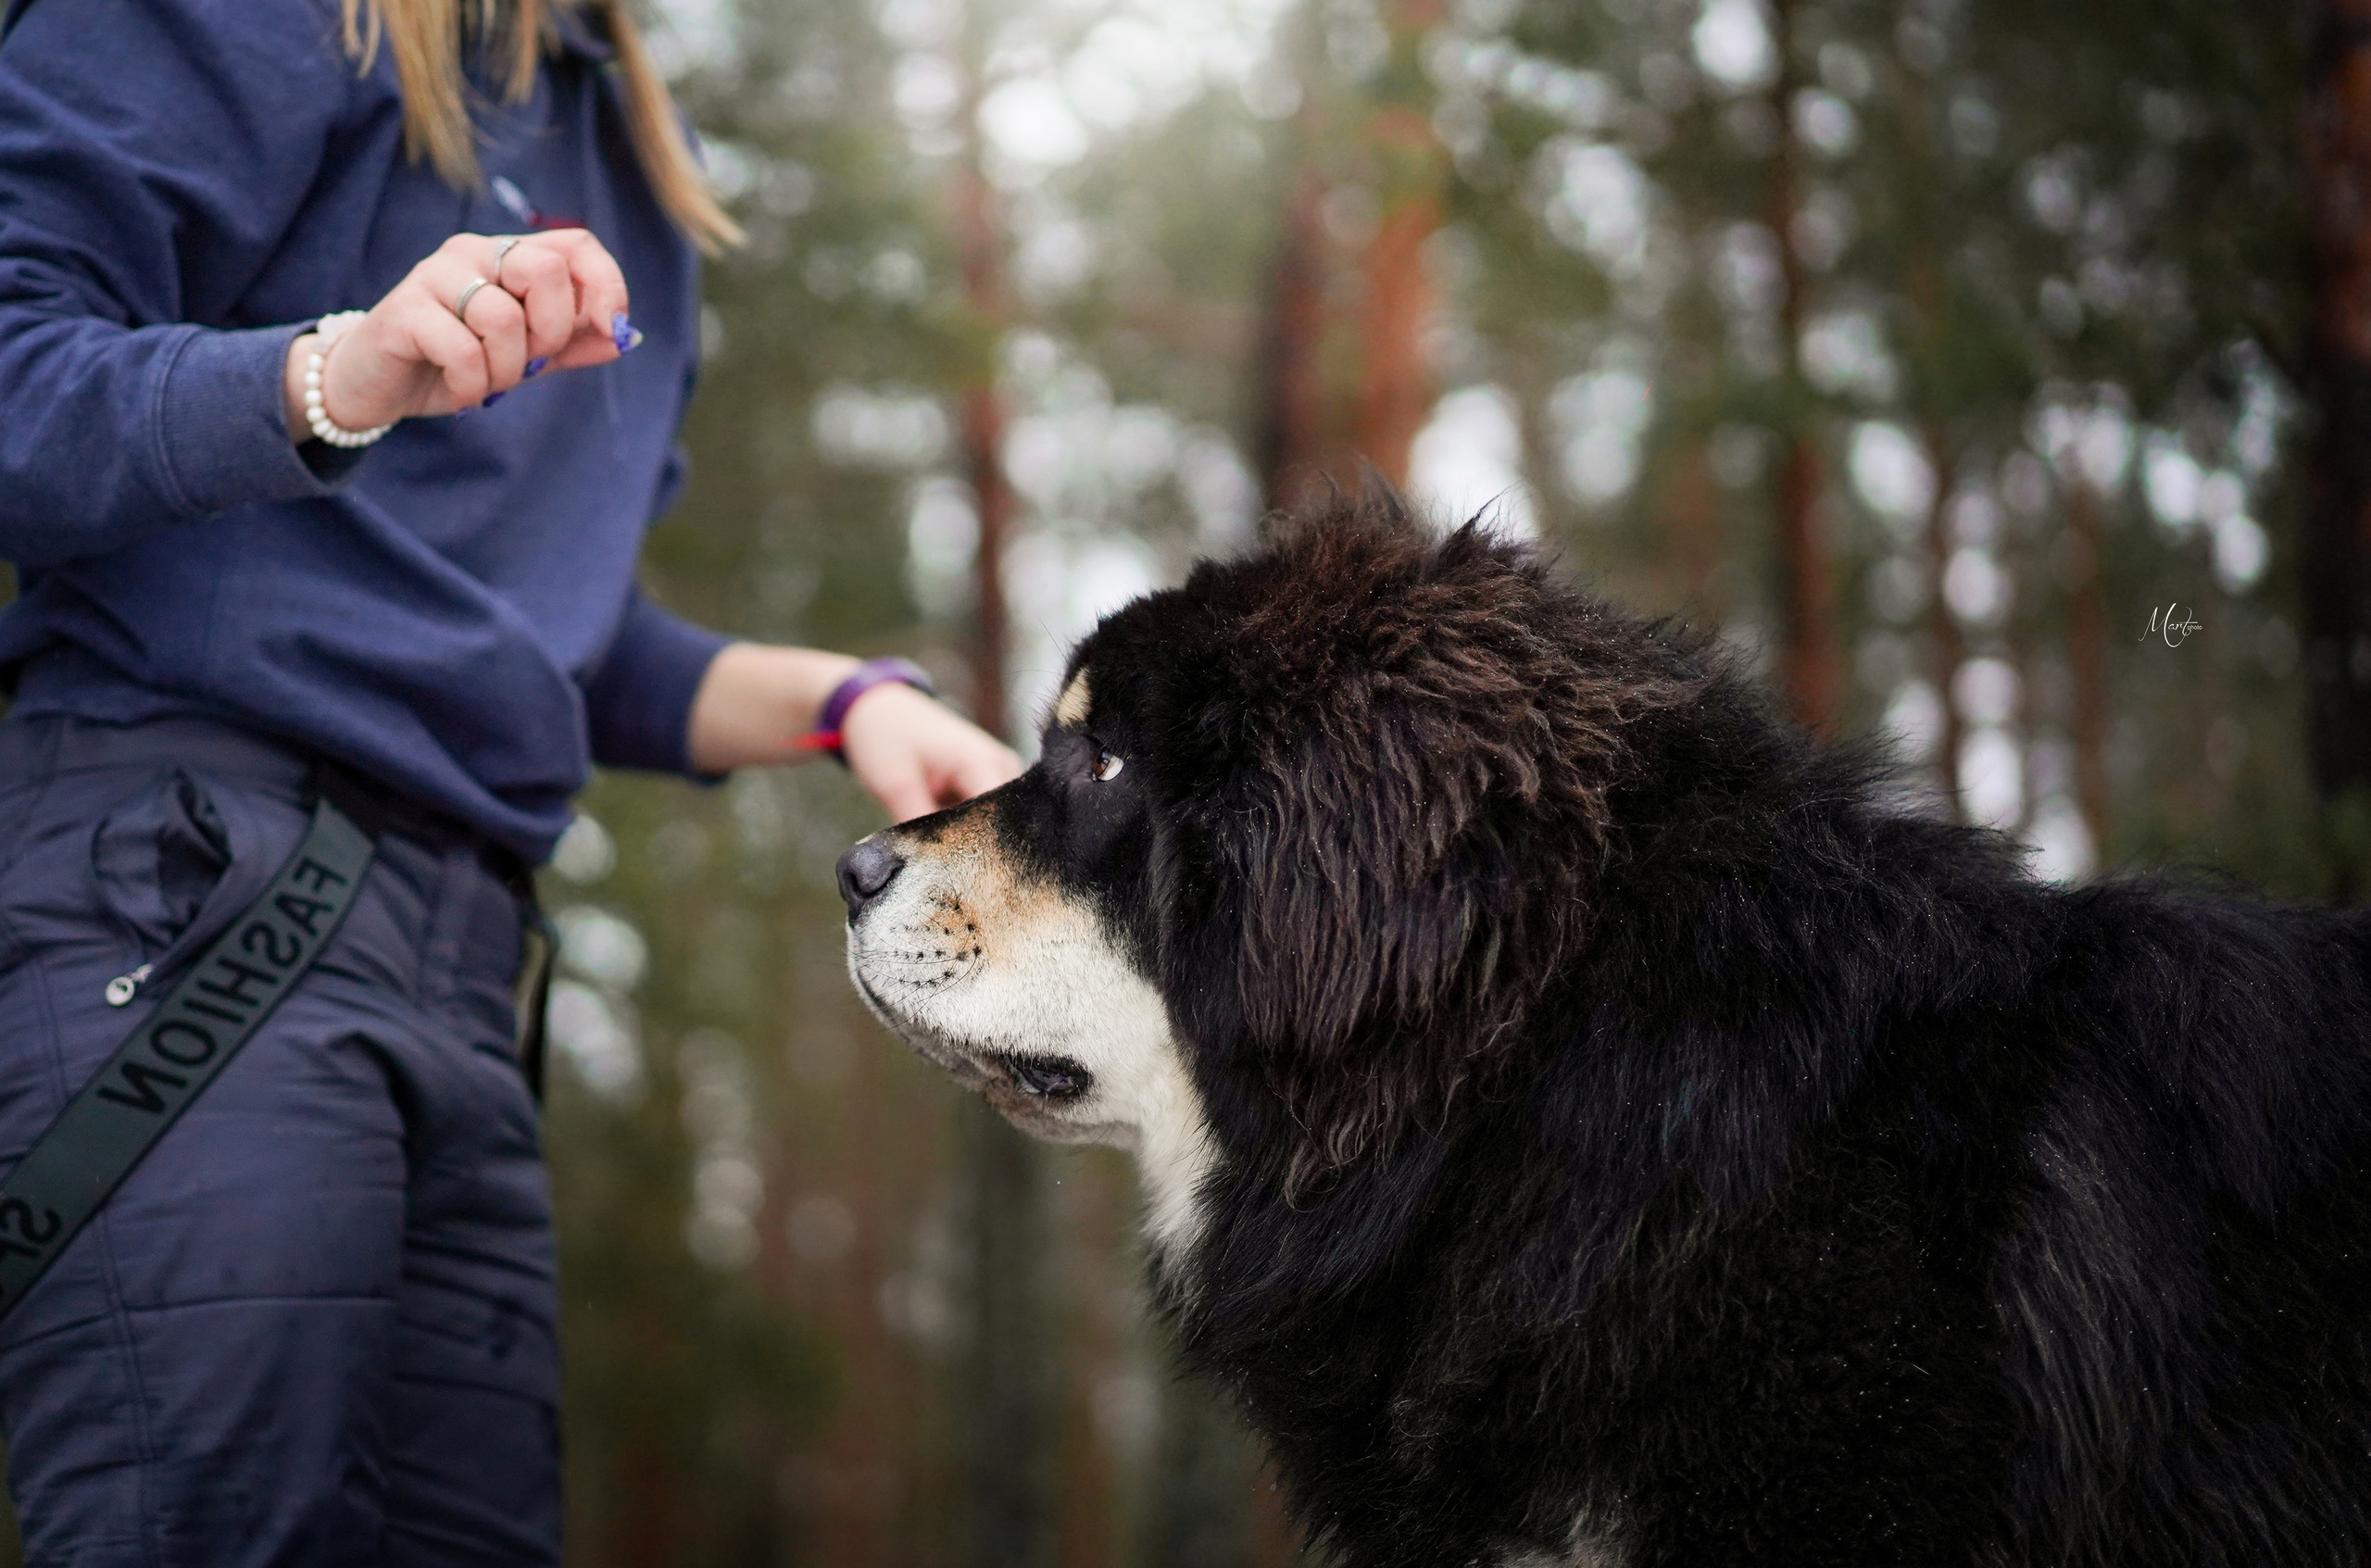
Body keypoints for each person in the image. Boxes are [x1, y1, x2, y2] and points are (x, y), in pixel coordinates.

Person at [0, 0, 1020, 1560]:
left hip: (468, 976)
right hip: (187, 886)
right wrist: (343, 372)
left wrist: (848, 704)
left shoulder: (633, 161)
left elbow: (547, 634)